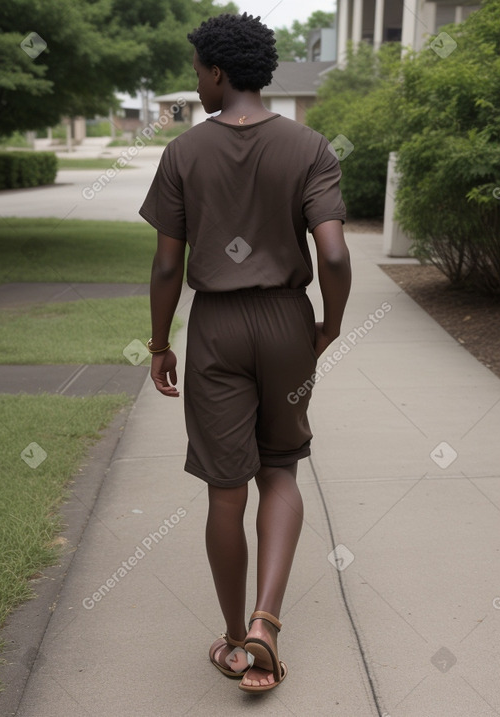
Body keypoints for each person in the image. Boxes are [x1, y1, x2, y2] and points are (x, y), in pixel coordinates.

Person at [139, 12, 351, 693]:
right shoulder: (310, 146)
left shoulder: (184, 153)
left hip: (218, 328)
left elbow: (168, 265)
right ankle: (267, 622)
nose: (196, 81)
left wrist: (158, 341)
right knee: (281, 469)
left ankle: (234, 642)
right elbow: (336, 253)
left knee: (225, 491)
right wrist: (330, 324)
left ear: (219, 72)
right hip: (288, 321)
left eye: (198, 69)